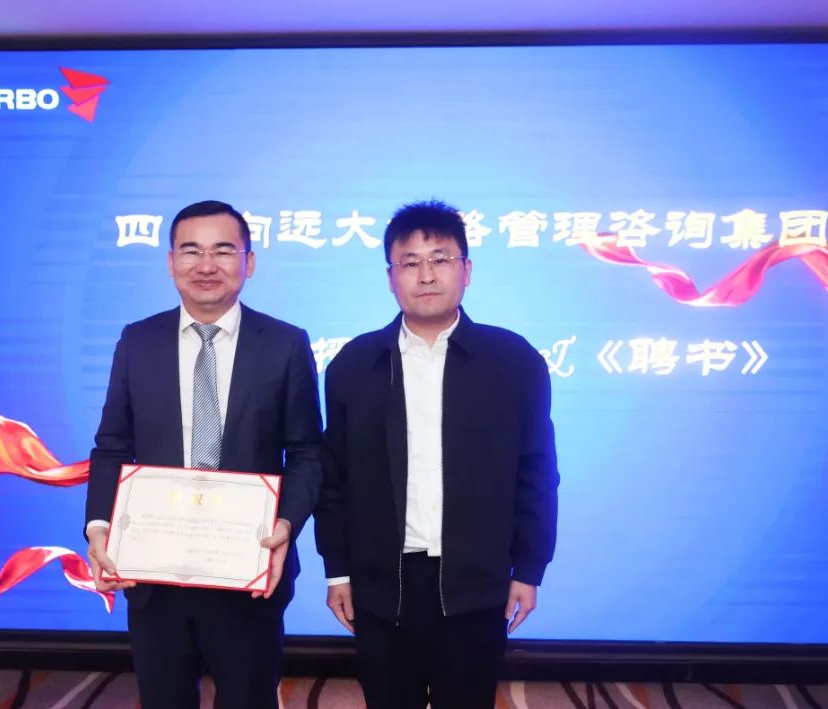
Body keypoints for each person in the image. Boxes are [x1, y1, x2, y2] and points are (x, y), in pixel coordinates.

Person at [314, 199, 559, 708]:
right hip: (382, 584)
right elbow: (333, 478)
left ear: (466, 270)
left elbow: (536, 473)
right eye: (410, 262)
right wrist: (337, 570)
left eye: (441, 259)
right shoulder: (355, 364)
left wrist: (529, 569)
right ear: (390, 278)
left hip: (477, 583)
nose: (426, 275)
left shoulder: (513, 361)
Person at [84, 199, 322, 709]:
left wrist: (285, 525)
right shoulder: (137, 341)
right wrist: (99, 526)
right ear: (171, 263)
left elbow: (306, 452)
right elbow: (112, 446)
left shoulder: (284, 344)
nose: (206, 265)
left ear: (249, 262)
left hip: (248, 566)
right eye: (191, 251)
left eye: (223, 251)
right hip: (153, 569)